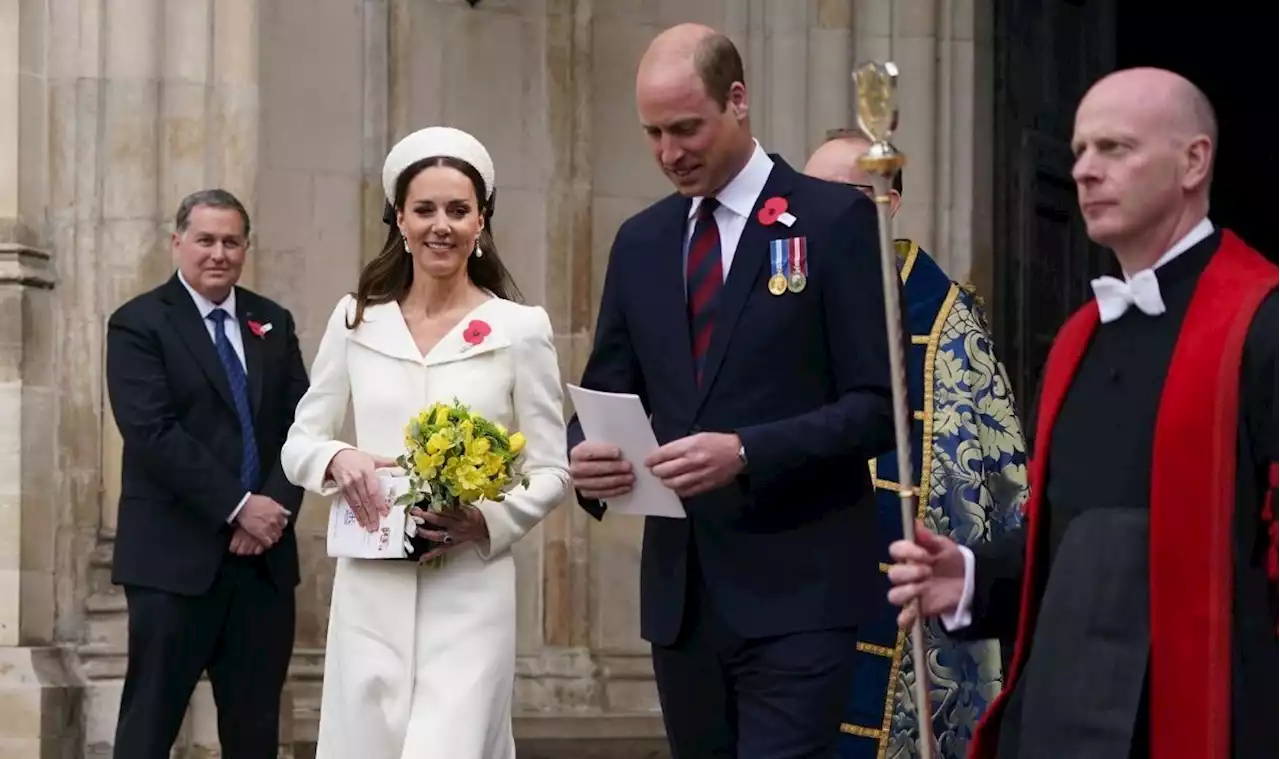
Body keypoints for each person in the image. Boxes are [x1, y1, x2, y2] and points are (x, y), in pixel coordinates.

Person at [885, 67, 1280, 759]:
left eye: (1114, 148)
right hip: (1061, 719)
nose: (1085, 172)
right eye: (1078, 152)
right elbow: (1065, 538)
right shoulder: (1077, 338)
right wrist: (973, 575)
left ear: (1194, 161)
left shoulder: (1263, 322)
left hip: (1198, 722)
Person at [567, 24, 897, 758]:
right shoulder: (641, 241)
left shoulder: (835, 220)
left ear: (738, 100)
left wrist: (748, 450)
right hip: (683, 602)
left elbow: (880, 407)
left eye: (686, 128)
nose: (668, 153)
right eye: (652, 132)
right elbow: (605, 391)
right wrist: (586, 461)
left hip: (801, 596)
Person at [280, 126, 570, 759]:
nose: (442, 226)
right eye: (426, 210)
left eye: (459, 211)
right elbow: (300, 440)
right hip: (370, 587)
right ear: (400, 222)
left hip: (470, 589)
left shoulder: (519, 329)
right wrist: (338, 457)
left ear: (481, 222)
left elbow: (551, 469)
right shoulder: (356, 319)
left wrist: (486, 520)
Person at [804, 130, 1029, 759]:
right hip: (803, 600)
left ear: (888, 202)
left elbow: (1002, 479)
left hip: (905, 616)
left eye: (838, 194)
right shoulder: (783, 299)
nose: (816, 210)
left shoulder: (947, 320)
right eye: (806, 193)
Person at [105, 189, 309, 758]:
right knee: (149, 726)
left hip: (262, 566)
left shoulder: (272, 321)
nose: (218, 253)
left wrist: (270, 510)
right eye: (205, 240)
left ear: (245, 248)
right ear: (178, 243)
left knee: (253, 735)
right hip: (173, 564)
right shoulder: (138, 323)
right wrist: (240, 505)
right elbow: (152, 433)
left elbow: (303, 426)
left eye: (231, 241)